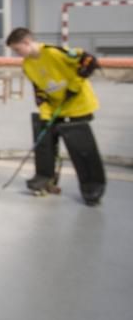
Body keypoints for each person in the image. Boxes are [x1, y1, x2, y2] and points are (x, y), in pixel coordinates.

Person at [6, 27, 104, 205]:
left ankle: (92, 188)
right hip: (55, 108)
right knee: (44, 141)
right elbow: (39, 91)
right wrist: (45, 113)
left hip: (77, 107)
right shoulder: (27, 65)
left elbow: (89, 60)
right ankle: (46, 178)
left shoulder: (54, 52)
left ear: (27, 42)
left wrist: (74, 85)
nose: (17, 54)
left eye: (18, 50)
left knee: (82, 150)